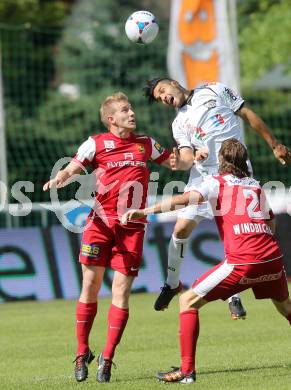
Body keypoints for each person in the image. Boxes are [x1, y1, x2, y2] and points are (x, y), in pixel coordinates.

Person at [122, 138, 291, 384]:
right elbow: (272, 225)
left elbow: (183, 200)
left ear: (221, 161)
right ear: (244, 161)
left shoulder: (215, 183)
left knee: (188, 301)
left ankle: (187, 372)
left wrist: (145, 211)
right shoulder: (255, 186)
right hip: (273, 258)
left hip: (242, 261)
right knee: (285, 307)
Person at [43, 92, 174, 383]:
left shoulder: (146, 144)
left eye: (132, 109)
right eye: (126, 110)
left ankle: (108, 356)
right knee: (89, 286)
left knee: (121, 293)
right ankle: (81, 352)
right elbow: (76, 165)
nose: (132, 114)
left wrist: (194, 153)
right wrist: (61, 177)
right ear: (111, 119)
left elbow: (175, 163)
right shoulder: (96, 143)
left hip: (133, 226)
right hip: (100, 224)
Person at [143, 77, 291, 318]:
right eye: (160, 99)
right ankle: (171, 284)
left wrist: (274, 144)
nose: (165, 98)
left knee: (235, 233)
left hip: (235, 173)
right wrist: (179, 162)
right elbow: (186, 157)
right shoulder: (178, 123)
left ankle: (234, 294)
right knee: (180, 230)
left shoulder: (215, 89)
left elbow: (247, 114)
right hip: (203, 178)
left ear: (173, 82)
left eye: (163, 91)